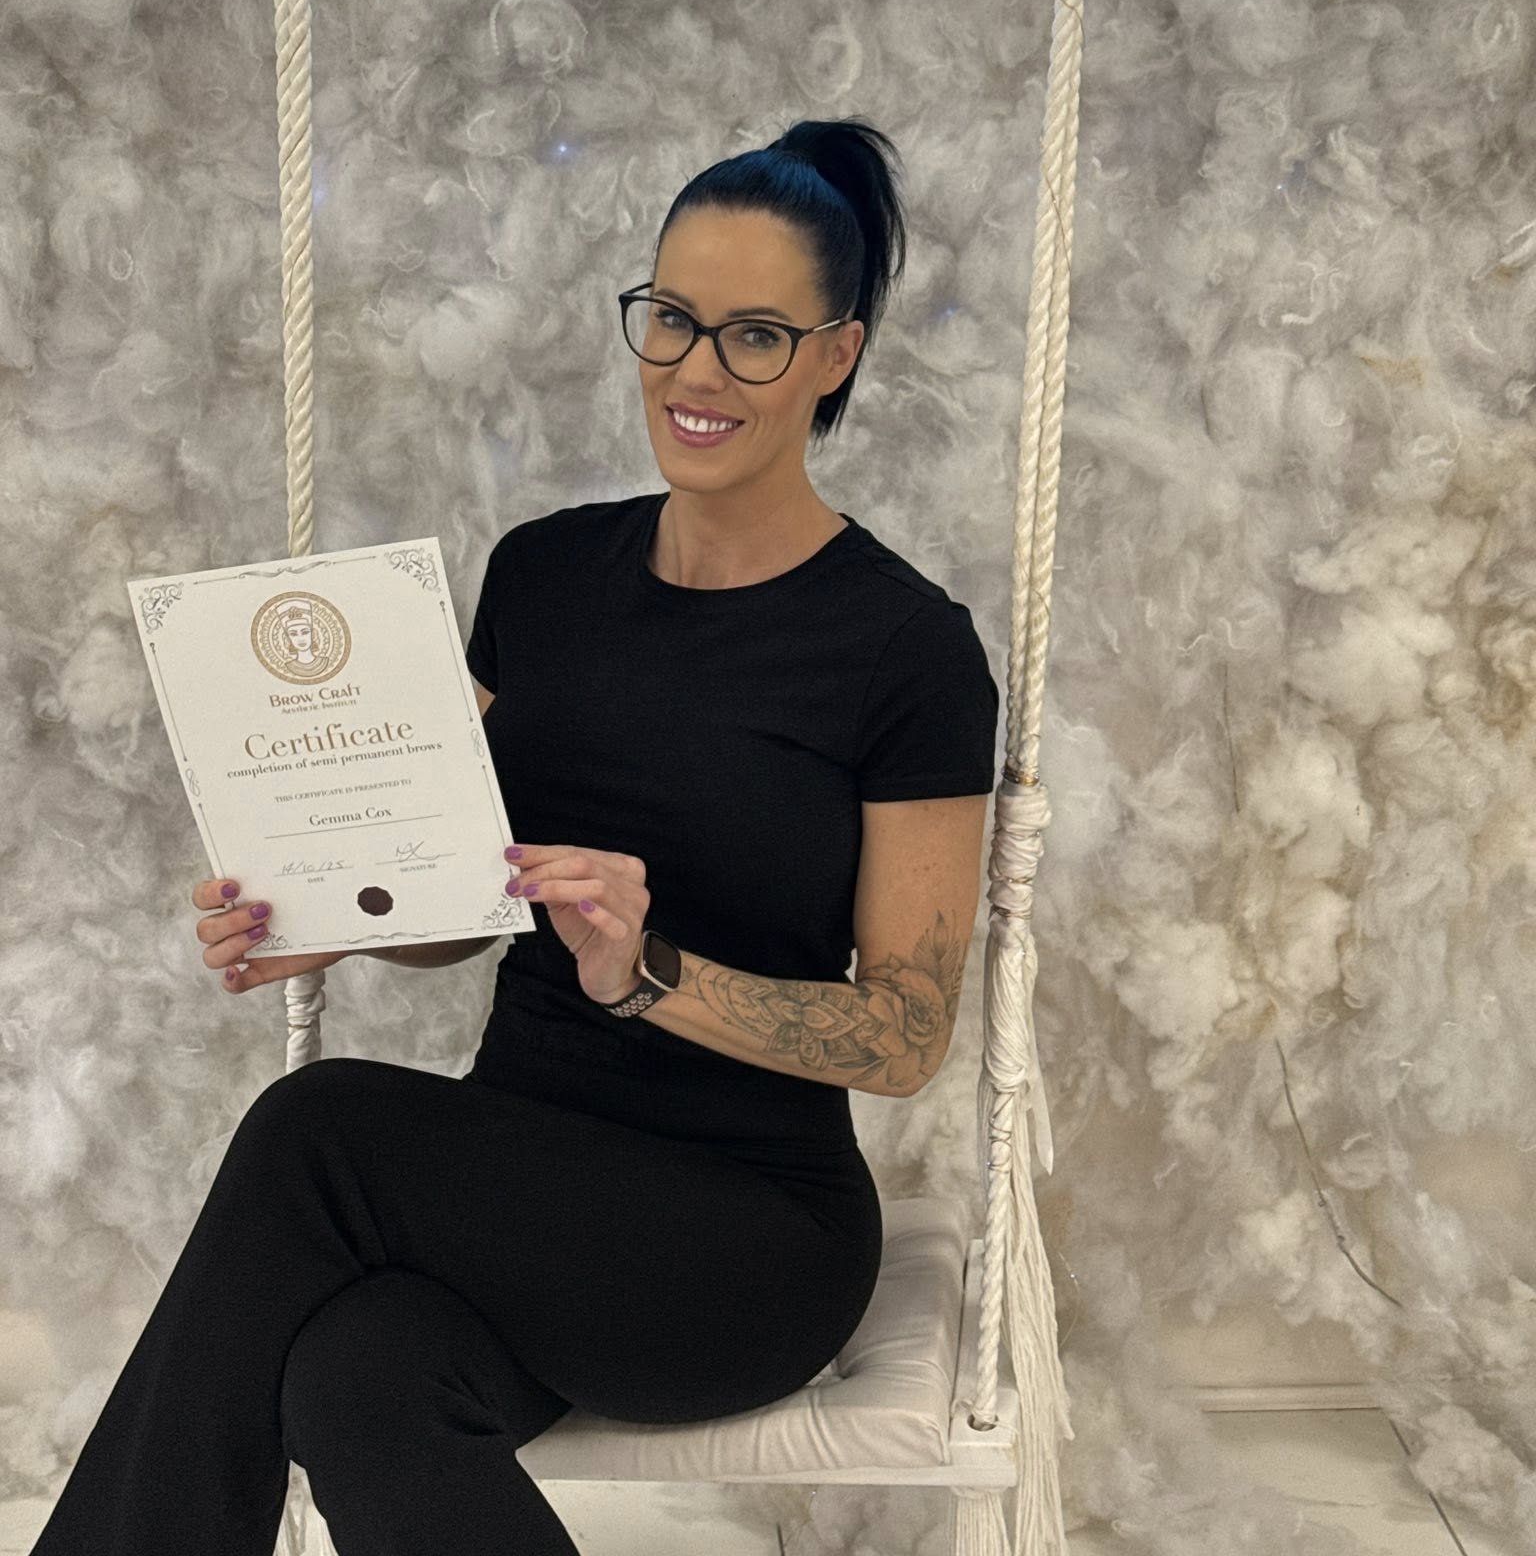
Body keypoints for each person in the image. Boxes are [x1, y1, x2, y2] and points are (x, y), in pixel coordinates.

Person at [32, 116, 1000, 1556]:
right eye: (669, 320)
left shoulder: (906, 651)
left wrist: (652, 974)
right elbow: (456, 902)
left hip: (741, 1240)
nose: (693, 371)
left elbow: (909, 1036)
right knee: (356, 1379)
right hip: (514, 1177)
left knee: (320, 1127)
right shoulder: (543, 576)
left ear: (835, 357)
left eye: (752, 337)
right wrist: (306, 905)